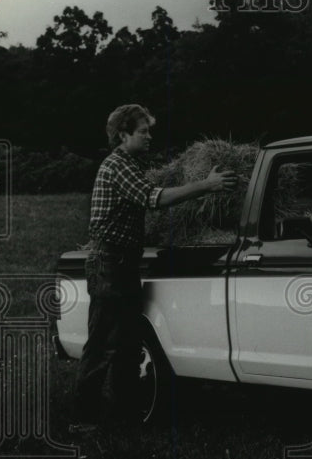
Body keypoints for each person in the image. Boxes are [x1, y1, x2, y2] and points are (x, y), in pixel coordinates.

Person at [72, 104, 235, 431]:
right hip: (109, 263)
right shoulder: (118, 166)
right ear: (123, 134)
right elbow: (155, 198)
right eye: (143, 131)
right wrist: (207, 185)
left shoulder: (132, 164)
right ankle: (84, 418)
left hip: (123, 262)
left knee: (128, 341)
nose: (149, 136)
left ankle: (125, 414)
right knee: (104, 341)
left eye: (149, 130)